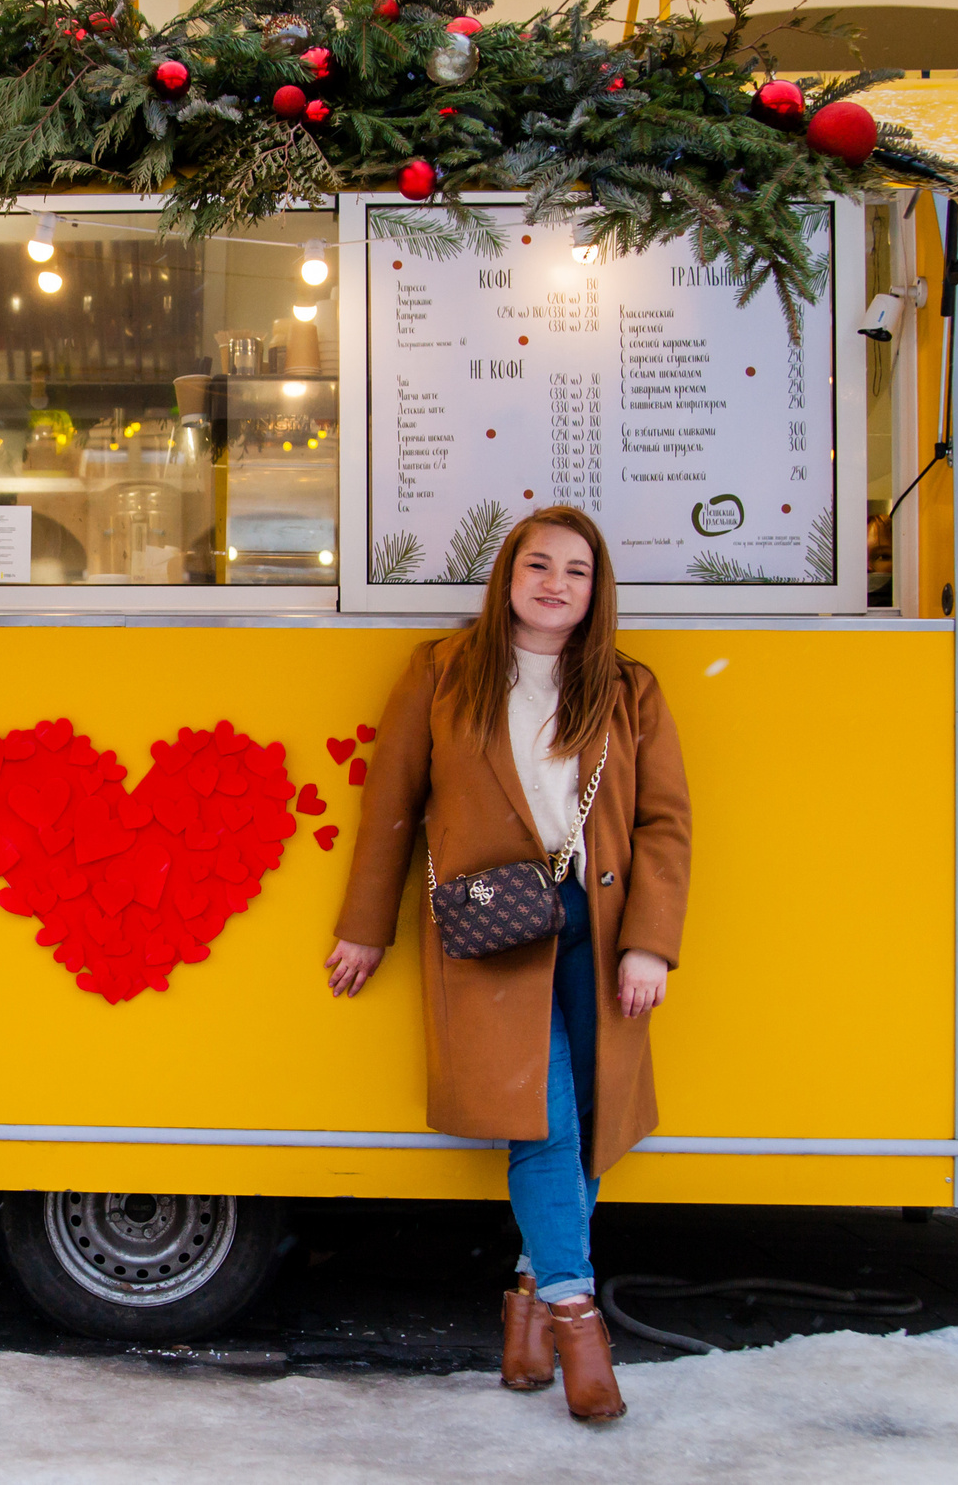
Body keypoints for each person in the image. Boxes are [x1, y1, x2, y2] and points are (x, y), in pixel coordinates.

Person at [325, 505, 690, 1420]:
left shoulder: (629, 687)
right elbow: (392, 804)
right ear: (508, 574)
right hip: (494, 930)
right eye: (539, 564)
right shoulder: (443, 672)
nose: (555, 583)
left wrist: (651, 940)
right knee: (544, 1120)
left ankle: (528, 1309)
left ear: (596, 589)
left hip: (599, 927)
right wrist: (366, 926)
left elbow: (665, 823)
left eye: (576, 570)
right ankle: (576, 1317)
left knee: (593, 1118)